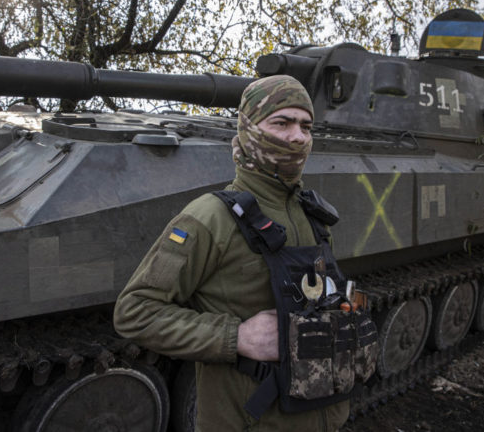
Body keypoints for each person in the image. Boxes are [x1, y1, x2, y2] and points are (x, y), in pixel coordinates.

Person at [113, 75, 350, 431]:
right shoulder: (210, 217)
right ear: (250, 128)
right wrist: (236, 336)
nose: (297, 137)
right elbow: (135, 311)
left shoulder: (312, 215)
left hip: (321, 413)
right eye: (281, 123)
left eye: (305, 125)